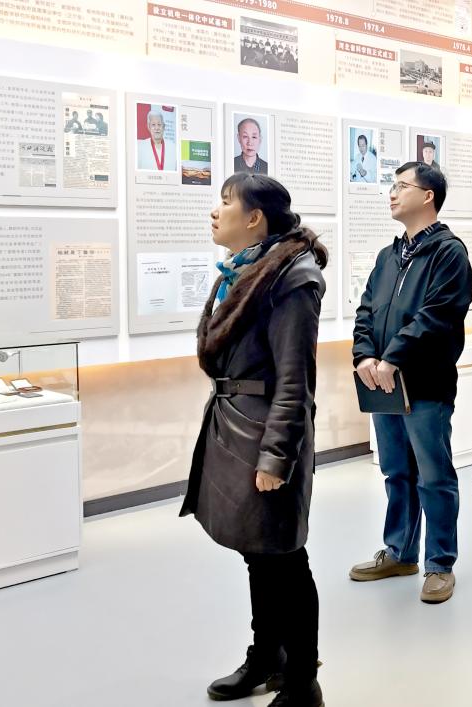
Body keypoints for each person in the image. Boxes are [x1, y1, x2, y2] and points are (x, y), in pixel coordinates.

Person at [180, 173, 329, 707]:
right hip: (236, 426)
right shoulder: (244, 272)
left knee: (285, 557)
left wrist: (276, 457)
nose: (215, 211)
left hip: (266, 431)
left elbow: (295, 381)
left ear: (254, 218)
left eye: (226, 202)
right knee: (257, 553)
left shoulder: (291, 279)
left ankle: (303, 682)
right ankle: (267, 656)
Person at [350, 162, 472, 604]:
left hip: (424, 384)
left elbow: (437, 317)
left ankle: (440, 563)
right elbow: (366, 310)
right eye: (392, 186)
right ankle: (400, 552)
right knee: (396, 472)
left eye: (401, 186)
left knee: (433, 476)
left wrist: (393, 358)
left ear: (428, 196)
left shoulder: (448, 253)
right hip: (383, 384)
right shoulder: (389, 256)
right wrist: (365, 355)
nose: (392, 193)